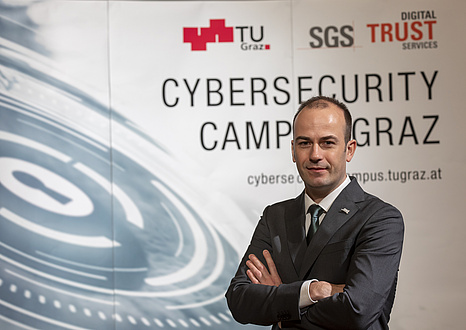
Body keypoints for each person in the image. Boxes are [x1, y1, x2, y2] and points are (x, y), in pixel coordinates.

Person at [225, 96, 404, 329]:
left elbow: (357, 311)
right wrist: (313, 290)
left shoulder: (380, 218)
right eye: (304, 143)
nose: (315, 155)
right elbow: (239, 300)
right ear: (293, 150)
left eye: (328, 143)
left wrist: (283, 310)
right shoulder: (275, 217)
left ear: (349, 150)